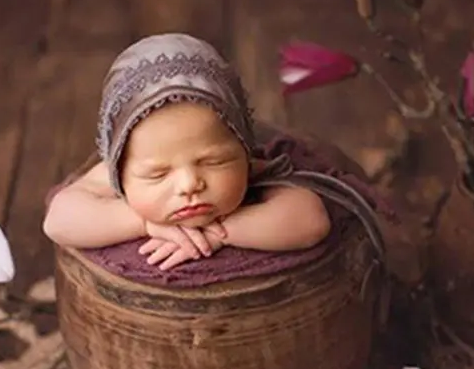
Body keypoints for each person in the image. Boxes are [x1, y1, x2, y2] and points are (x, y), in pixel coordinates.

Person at [43, 33, 332, 271]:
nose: (189, 184)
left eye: (214, 161)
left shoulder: (251, 167)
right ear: (118, 168)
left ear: (244, 151)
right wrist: (143, 222)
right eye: (157, 174)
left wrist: (222, 232)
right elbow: (59, 220)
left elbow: (311, 221)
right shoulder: (117, 171)